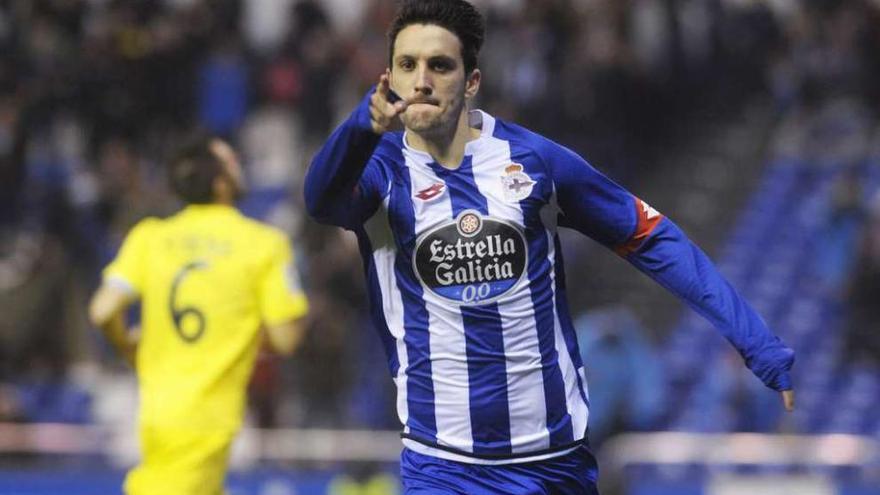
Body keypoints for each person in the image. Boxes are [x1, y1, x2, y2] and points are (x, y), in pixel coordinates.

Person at [304, 1, 795, 493]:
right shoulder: (378, 172)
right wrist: (358, 128)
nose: (422, 80)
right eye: (408, 65)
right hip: (442, 465)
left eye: (440, 65)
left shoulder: (535, 160)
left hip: (553, 463)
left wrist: (756, 342)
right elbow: (321, 201)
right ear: (388, 78)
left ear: (472, 80)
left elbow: (653, 238)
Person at [88, 136, 309, 495]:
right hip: (209, 417)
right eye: (232, 162)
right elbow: (286, 339)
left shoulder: (150, 237)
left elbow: (102, 310)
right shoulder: (263, 244)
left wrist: (129, 349)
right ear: (221, 183)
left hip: (155, 412)